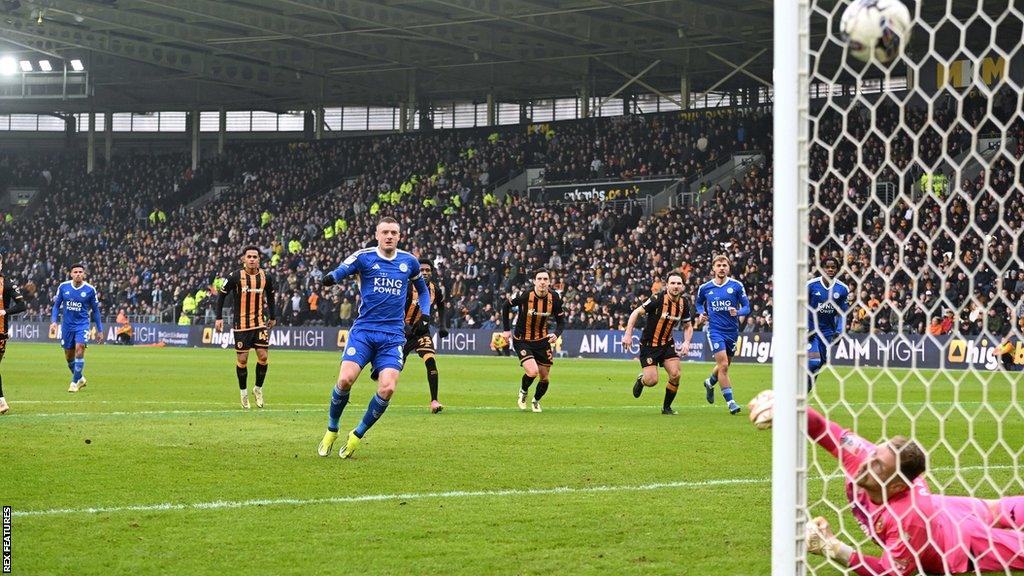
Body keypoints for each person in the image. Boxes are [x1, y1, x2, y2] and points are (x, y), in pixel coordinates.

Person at [799, 405, 1024, 574]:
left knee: (1013, 539)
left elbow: (887, 572)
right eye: (874, 453)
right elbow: (820, 426)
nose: (867, 463)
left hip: (959, 541)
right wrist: (789, 406)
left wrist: (834, 548)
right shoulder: (863, 456)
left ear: (896, 486)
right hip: (944, 507)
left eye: (878, 466)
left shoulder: (907, 518)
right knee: (995, 509)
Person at [316, 217, 430, 459]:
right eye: (385, 232)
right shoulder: (364, 256)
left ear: (399, 236)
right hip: (364, 332)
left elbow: (423, 289)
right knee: (345, 380)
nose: (389, 236)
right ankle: (331, 429)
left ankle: (356, 435)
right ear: (377, 235)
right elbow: (343, 269)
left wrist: (426, 315)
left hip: (392, 336)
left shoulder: (409, 261)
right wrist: (332, 278)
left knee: (387, 388)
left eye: (394, 232)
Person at [622, 273, 694, 415]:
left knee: (675, 374)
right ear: (667, 285)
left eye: (678, 283)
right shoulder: (657, 299)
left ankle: (666, 408)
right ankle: (641, 380)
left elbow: (688, 326)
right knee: (652, 380)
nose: (675, 286)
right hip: (649, 345)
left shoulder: (684, 303)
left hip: (667, 344)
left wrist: (687, 342)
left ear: (683, 286)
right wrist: (628, 334)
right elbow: (636, 313)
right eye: (672, 283)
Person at [215, 246, 277, 409]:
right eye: (249, 256)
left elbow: (271, 297)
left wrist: (273, 316)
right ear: (244, 259)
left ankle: (258, 389)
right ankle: (243, 394)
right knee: (242, 360)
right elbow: (221, 295)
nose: (251, 259)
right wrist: (219, 318)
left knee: (263, 357)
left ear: (259, 259)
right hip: (241, 324)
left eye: (254, 257)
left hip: (259, 323)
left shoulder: (266, 276)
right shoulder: (235, 276)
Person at [501, 269, 565, 413]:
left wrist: (556, 334)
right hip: (522, 339)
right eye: (539, 279)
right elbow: (506, 306)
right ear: (534, 281)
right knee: (532, 371)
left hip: (542, 341)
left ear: (549, 282)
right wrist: (506, 330)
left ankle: (536, 401)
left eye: (545, 279)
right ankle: (523, 392)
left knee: (545, 378)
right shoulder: (525, 295)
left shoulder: (554, 298)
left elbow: (561, 322)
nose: (542, 282)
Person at [695, 255, 749, 414]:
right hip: (715, 330)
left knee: (723, 365)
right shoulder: (705, 288)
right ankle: (731, 402)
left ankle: (709, 382)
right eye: (718, 265)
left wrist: (738, 311)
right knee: (723, 365)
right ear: (713, 268)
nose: (721, 268)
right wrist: (701, 313)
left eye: (724, 265)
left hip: (732, 331)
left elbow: (747, 307)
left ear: (728, 268)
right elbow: (698, 303)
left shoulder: (737, 286)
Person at [400, 258, 449, 413]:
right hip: (401, 332)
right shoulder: (406, 286)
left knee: (430, 361)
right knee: (395, 367)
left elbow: (441, 305)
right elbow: (395, 306)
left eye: (428, 270)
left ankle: (434, 401)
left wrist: (442, 326)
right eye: (421, 270)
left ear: (432, 272)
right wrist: (404, 325)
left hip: (422, 332)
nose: (425, 273)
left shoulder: (435, 289)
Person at [50, 263, 104, 393]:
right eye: (75, 272)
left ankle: (74, 383)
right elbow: (56, 306)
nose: (78, 274)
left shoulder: (90, 290)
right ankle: (80, 378)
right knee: (69, 356)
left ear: (84, 274)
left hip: (82, 325)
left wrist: (100, 330)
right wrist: (53, 322)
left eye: (80, 272)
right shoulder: (63, 287)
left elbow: (96, 311)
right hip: (67, 326)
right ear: (71, 274)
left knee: (79, 349)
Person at [807, 256, 850, 390]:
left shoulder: (842, 289)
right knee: (814, 361)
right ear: (822, 268)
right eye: (827, 267)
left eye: (833, 267)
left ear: (837, 270)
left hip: (827, 332)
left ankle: (806, 387)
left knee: (820, 363)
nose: (830, 269)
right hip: (811, 330)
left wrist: (840, 331)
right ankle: (799, 387)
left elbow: (842, 313)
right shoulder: (811, 285)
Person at [0, 254, 27, 415]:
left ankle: (2, 401)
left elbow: (22, 305)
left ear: (1, 264)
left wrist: (5, 311)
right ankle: (1, 401)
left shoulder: (8, 284)